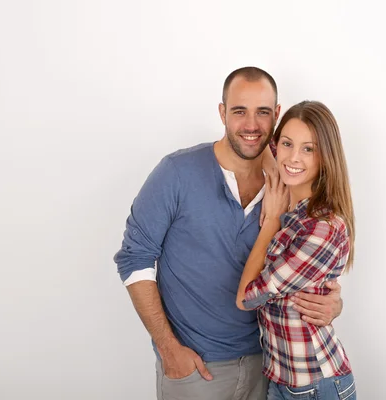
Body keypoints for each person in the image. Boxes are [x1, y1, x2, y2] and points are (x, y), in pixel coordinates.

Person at [113, 67, 344, 400]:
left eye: (263, 112)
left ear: (276, 115)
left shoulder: (287, 182)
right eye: (239, 111)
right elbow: (135, 258)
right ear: (222, 113)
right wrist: (168, 349)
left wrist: (333, 302)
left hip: (269, 369)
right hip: (195, 369)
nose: (251, 125)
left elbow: (310, 262)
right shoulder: (177, 173)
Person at [236, 101, 357, 399]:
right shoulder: (295, 210)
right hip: (281, 380)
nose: (293, 157)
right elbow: (261, 149)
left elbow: (247, 298)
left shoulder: (321, 227)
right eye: (287, 144)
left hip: (315, 385)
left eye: (308, 149)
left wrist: (271, 223)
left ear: (325, 157)